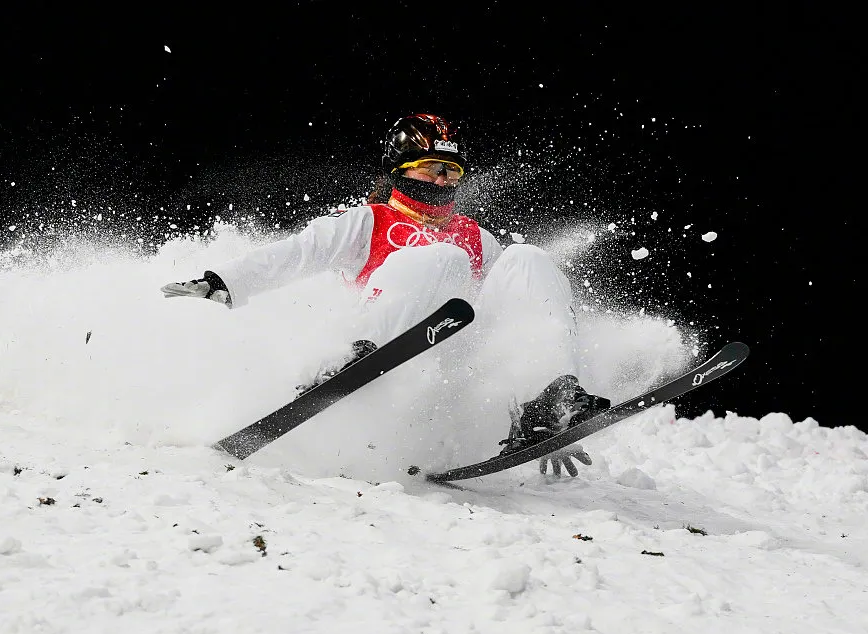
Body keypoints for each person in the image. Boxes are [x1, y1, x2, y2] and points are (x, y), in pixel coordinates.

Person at [161, 113, 609, 476]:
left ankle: (550, 400)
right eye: (432, 169)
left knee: (529, 259)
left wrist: (540, 423)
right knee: (443, 259)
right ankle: (351, 358)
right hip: (386, 348)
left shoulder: (476, 237)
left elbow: (519, 314)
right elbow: (294, 254)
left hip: (454, 369)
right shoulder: (368, 221)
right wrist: (222, 279)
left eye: (452, 171)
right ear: (403, 171)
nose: (443, 180)